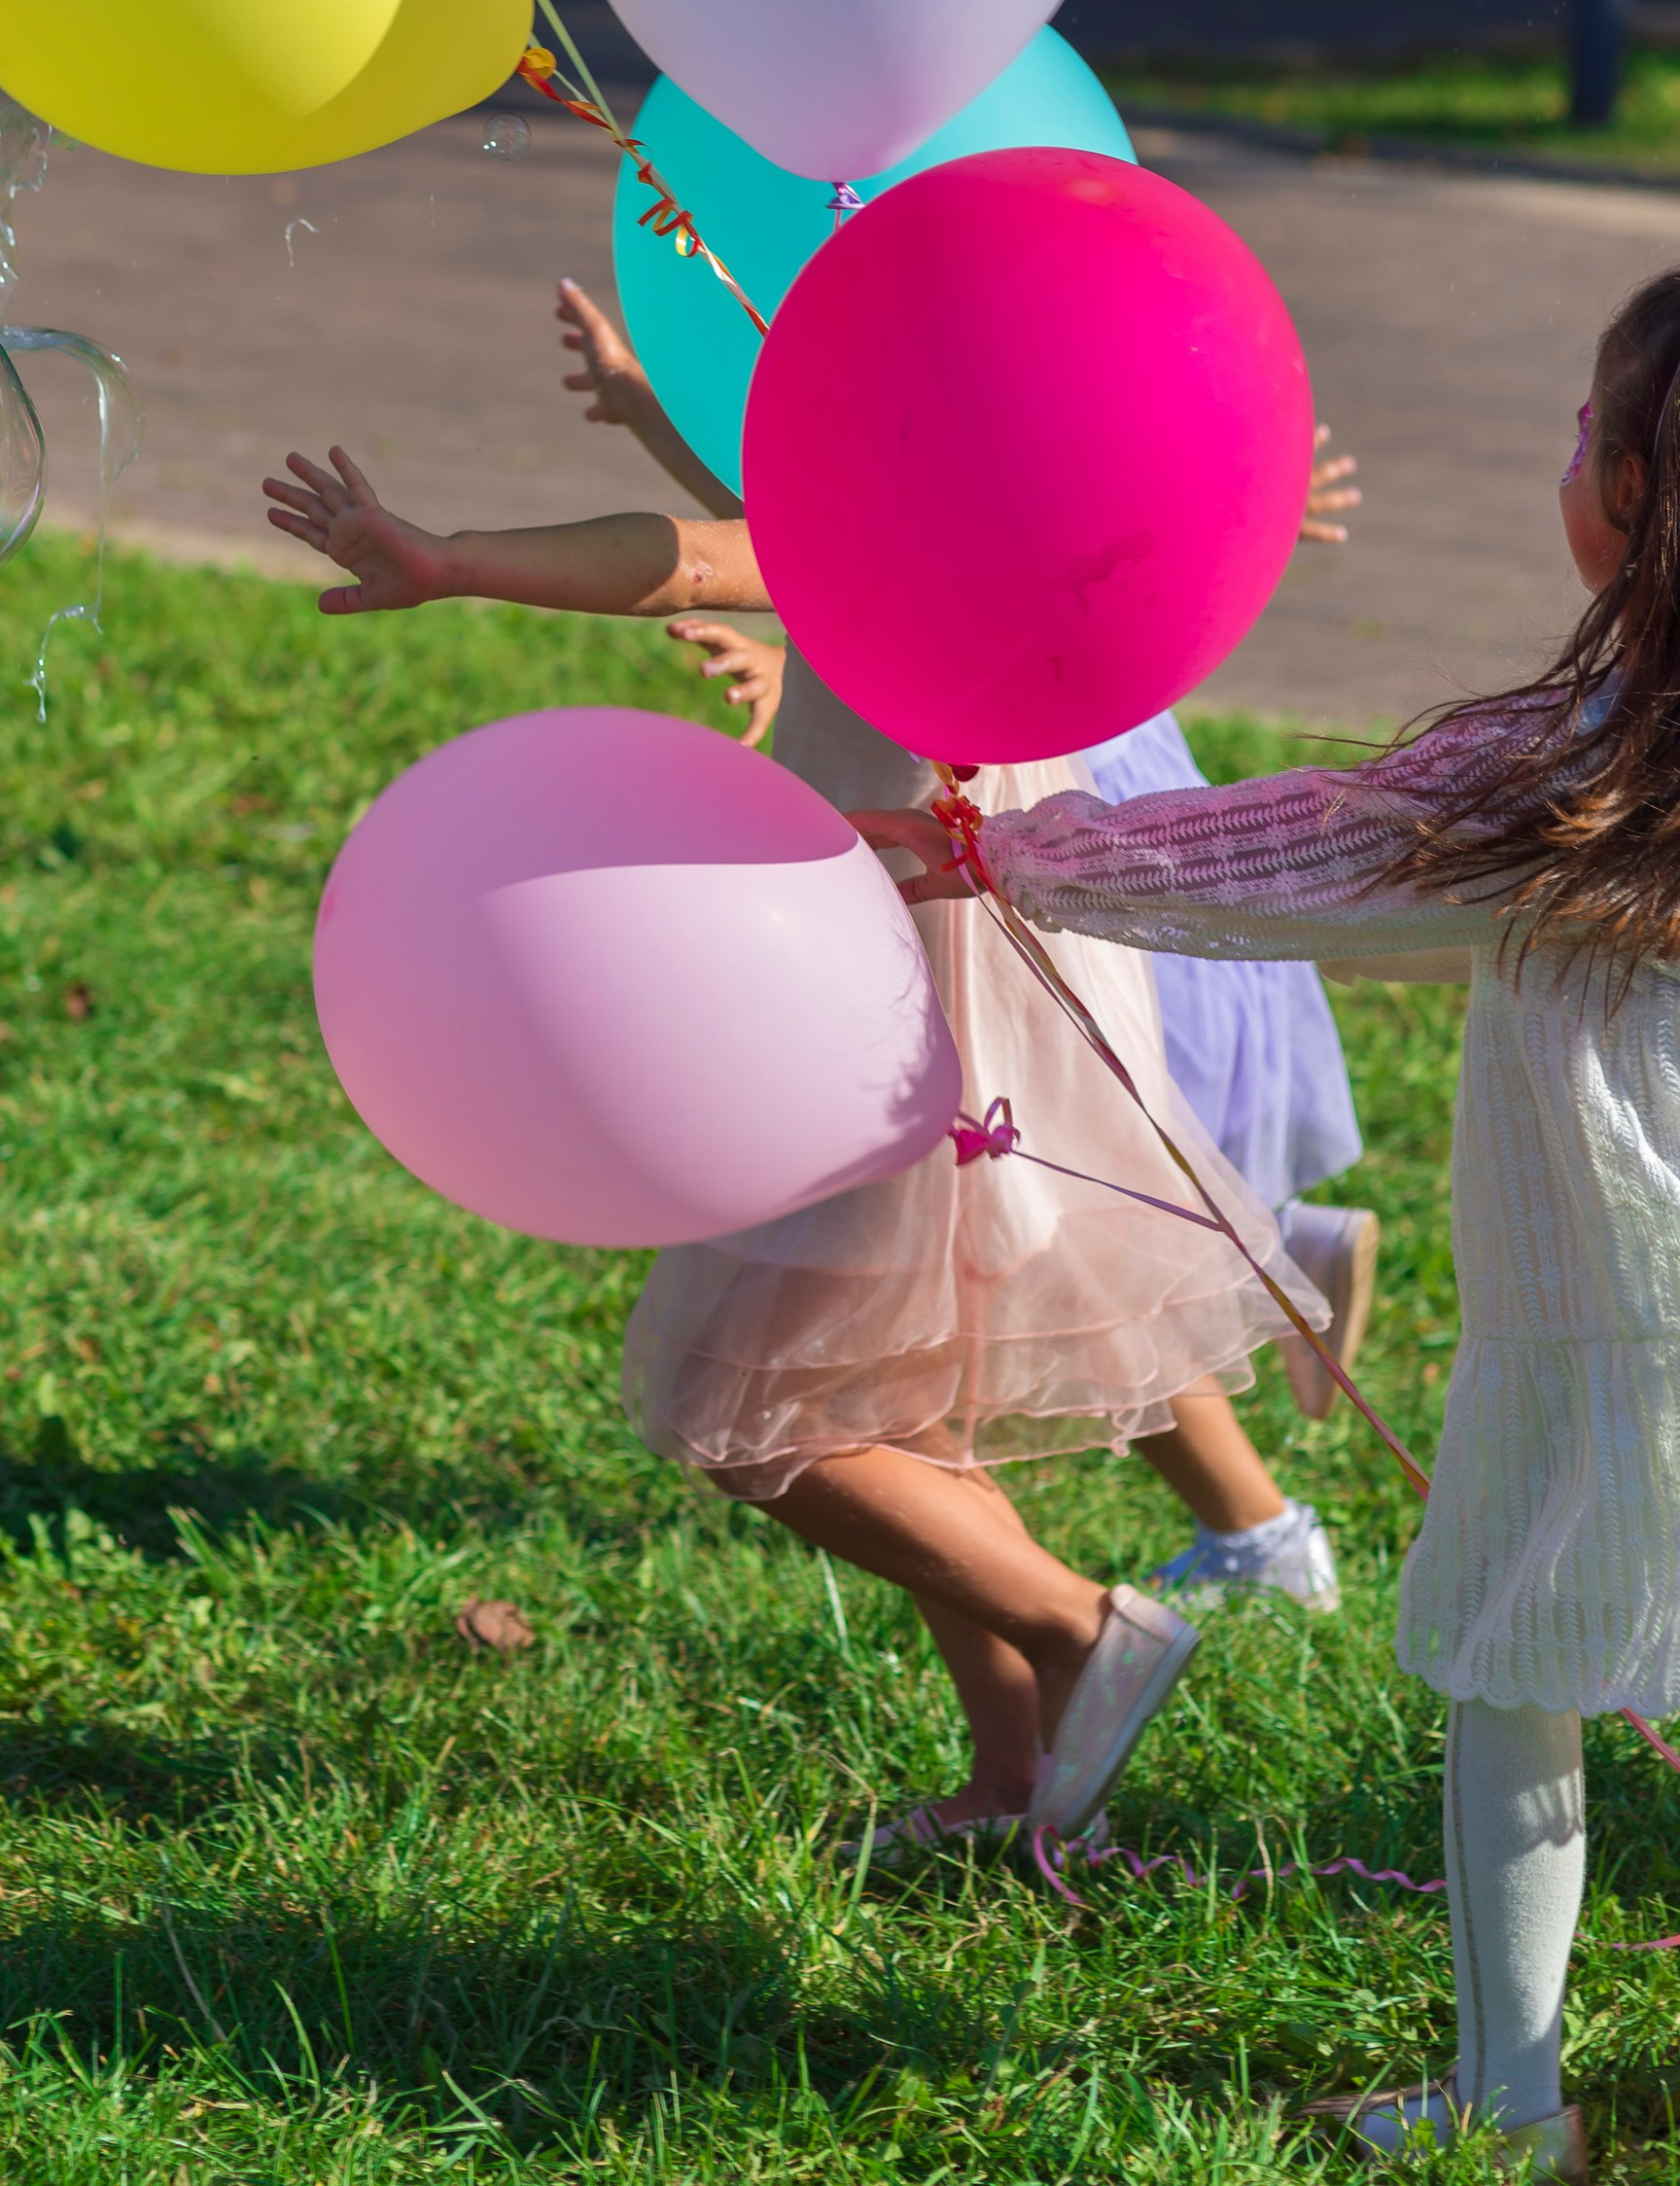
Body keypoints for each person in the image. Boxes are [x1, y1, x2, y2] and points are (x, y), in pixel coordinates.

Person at [847, 271, 1680, 2174]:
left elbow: (1286, 848)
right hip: (1599, 1331)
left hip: (1602, 1339)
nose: (1558, 456)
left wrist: (1007, 856)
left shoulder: (1579, 771)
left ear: (1636, 489)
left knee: (1514, 1675)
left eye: (1576, 430)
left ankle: (1506, 2103)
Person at [262, 432, 1332, 1864]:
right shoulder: (1030, 496)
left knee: (733, 1402)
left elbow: (705, 555)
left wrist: (455, 559)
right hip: (967, 966)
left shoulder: (913, 485)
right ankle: (1007, 1775)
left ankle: (1082, 1628)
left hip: (890, 980)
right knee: (895, 1398)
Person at [556, 269, 1381, 1494]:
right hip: (1041, 881)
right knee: (1068, 1200)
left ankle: (1251, 1515)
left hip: (1039, 887)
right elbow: (764, 534)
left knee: (1059, 1219)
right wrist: (640, 407)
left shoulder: (995, 551)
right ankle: (1270, 1301)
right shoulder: (947, 515)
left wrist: (457, 556)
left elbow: (738, 552)